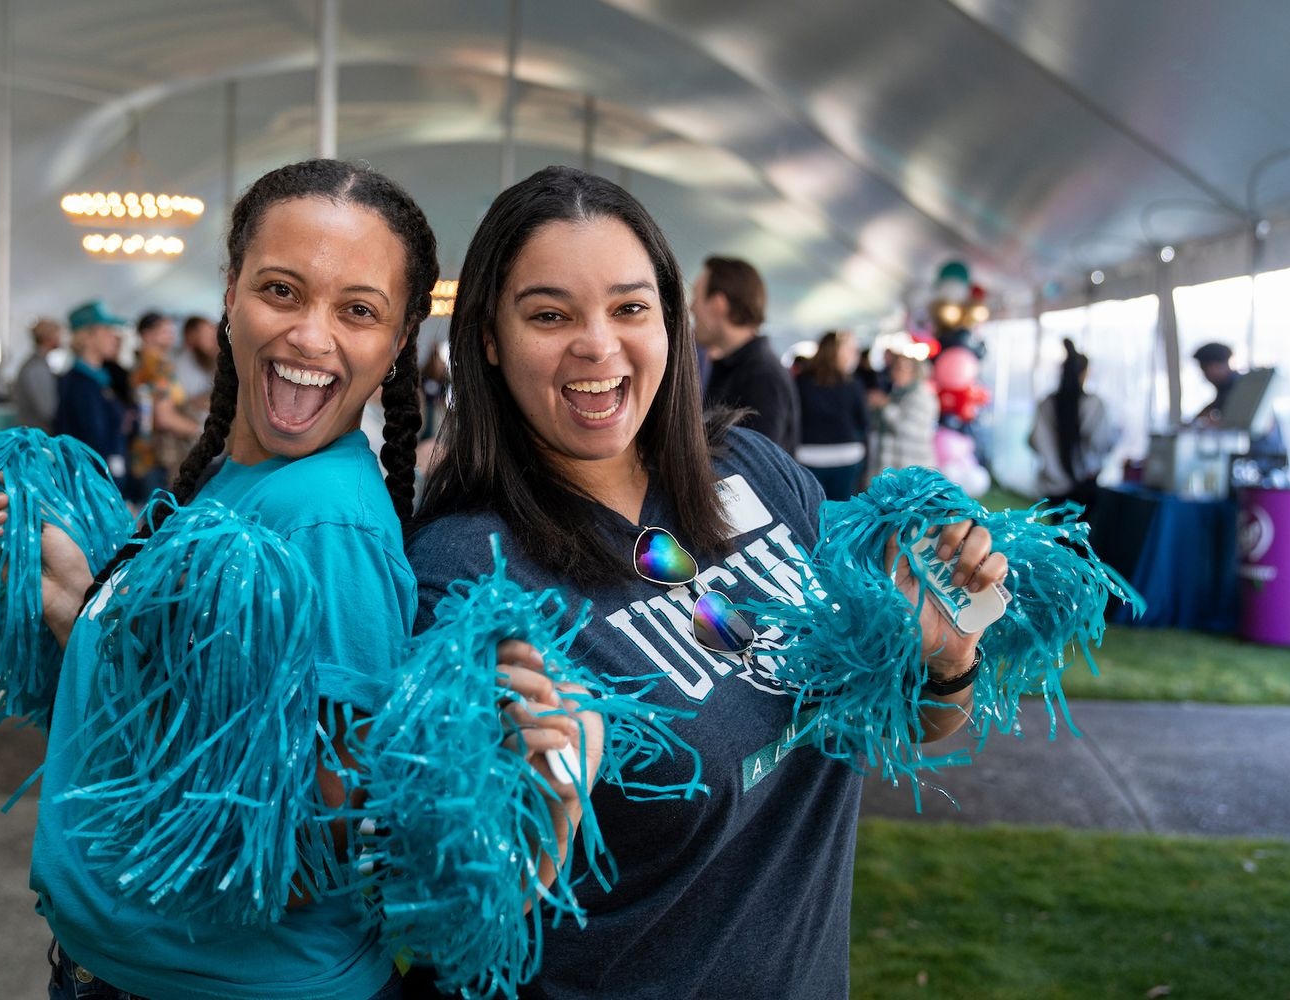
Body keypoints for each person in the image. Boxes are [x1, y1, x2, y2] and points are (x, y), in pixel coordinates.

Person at [0, 159, 587, 1000]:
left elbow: (323, 851)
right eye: (281, 290)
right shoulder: (240, 479)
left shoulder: (321, 519)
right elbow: (179, 716)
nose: (310, 335)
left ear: (399, 338)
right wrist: (76, 604)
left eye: (358, 310)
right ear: (230, 293)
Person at [410, 165, 1007, 1000]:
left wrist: (946, 661)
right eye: (550, 314)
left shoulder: (758, 472)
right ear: (487, 340)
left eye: (629, 307)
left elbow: (908, 730)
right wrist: (537, 831)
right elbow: (443, 921)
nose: (597, 343)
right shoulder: (466, 570)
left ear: (671, 324)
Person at [690, 255, 799, 452]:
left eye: (696, 297)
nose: (691, 307)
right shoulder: (732, 366)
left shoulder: (763, 377)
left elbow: (757, 467)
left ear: (718, 304)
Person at [1029, 338, 1119, 509]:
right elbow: (1101, 441)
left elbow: (1034, 441)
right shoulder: (1094, 404)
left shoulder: (1046, 404)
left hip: (1053, 485)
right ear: (1085, 372)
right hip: (1085, 485)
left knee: (1058, 532)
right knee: (1080, 533)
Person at [127, 310, 200, 499]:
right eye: (165, 331)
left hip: (147, 456)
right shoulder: (157, 367)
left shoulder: (141, 364)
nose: (171, 335)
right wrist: (199, 430)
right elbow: (163, 418)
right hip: (162, 455)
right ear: (146, 334)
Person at [54, 301, 128, 484]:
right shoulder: (81, 384)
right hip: (92, 484)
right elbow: (93, 441)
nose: (114, 336)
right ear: (87, 337)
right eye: (106, 330)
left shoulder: (99, 379)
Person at [794, 330, 870, 500]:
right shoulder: (852, 383)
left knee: (814, 510)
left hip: (809, 453)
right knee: (844, 513)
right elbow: (863, 421)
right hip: (847, 453)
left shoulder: (802, 382)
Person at [868, 348, 938, 473]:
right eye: (894, 367)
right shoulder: (897, 393)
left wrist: (885, 406)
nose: (894, 372)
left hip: (912, 468)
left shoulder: (921, 395)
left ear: (914, 372)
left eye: (901, 368)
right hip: (894, 468)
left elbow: (909, 429)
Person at [12, 317, 62, 432]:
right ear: (48, 338)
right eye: (57, 335)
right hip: (36, 435)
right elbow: (48, 410)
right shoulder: (36, 368)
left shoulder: (38, 364)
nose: (60, 339)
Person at [173, 313, 219, 426]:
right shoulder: (181, 366)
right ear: (191, 336)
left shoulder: (210, 361)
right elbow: (185, 402)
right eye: (208, 336)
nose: (214, 340)